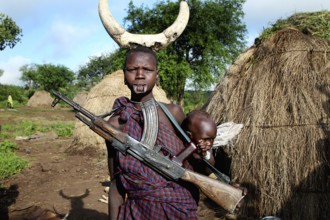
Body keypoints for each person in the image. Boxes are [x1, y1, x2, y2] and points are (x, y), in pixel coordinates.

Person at [105, 46, 209, 220]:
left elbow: (198, 166)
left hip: (178, 208)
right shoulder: (114, 124)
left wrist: (206, 152)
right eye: (132, 69)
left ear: (157, 75)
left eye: (147, 69)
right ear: (124, 75)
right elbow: (116, 185)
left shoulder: (173, 113)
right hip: (138, 212)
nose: (139, 74)